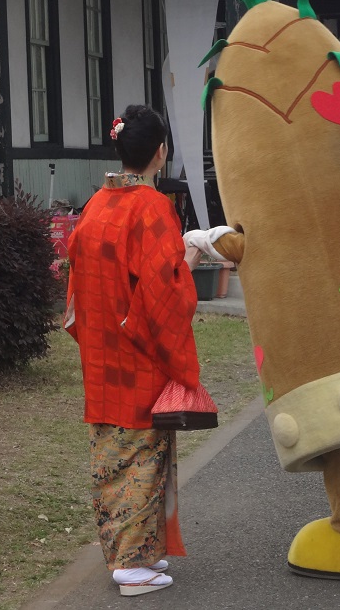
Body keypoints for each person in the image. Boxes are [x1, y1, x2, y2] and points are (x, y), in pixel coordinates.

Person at [64, 105, 205, 597]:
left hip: (102, 350)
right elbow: (164, 289)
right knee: (144, 456)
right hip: (139, 350)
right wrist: (191, 255)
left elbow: (78, 283)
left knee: (110, 456)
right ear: (160, 152)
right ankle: (131, 564)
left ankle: (129, 553)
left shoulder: (96, 204)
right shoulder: (151, 208)